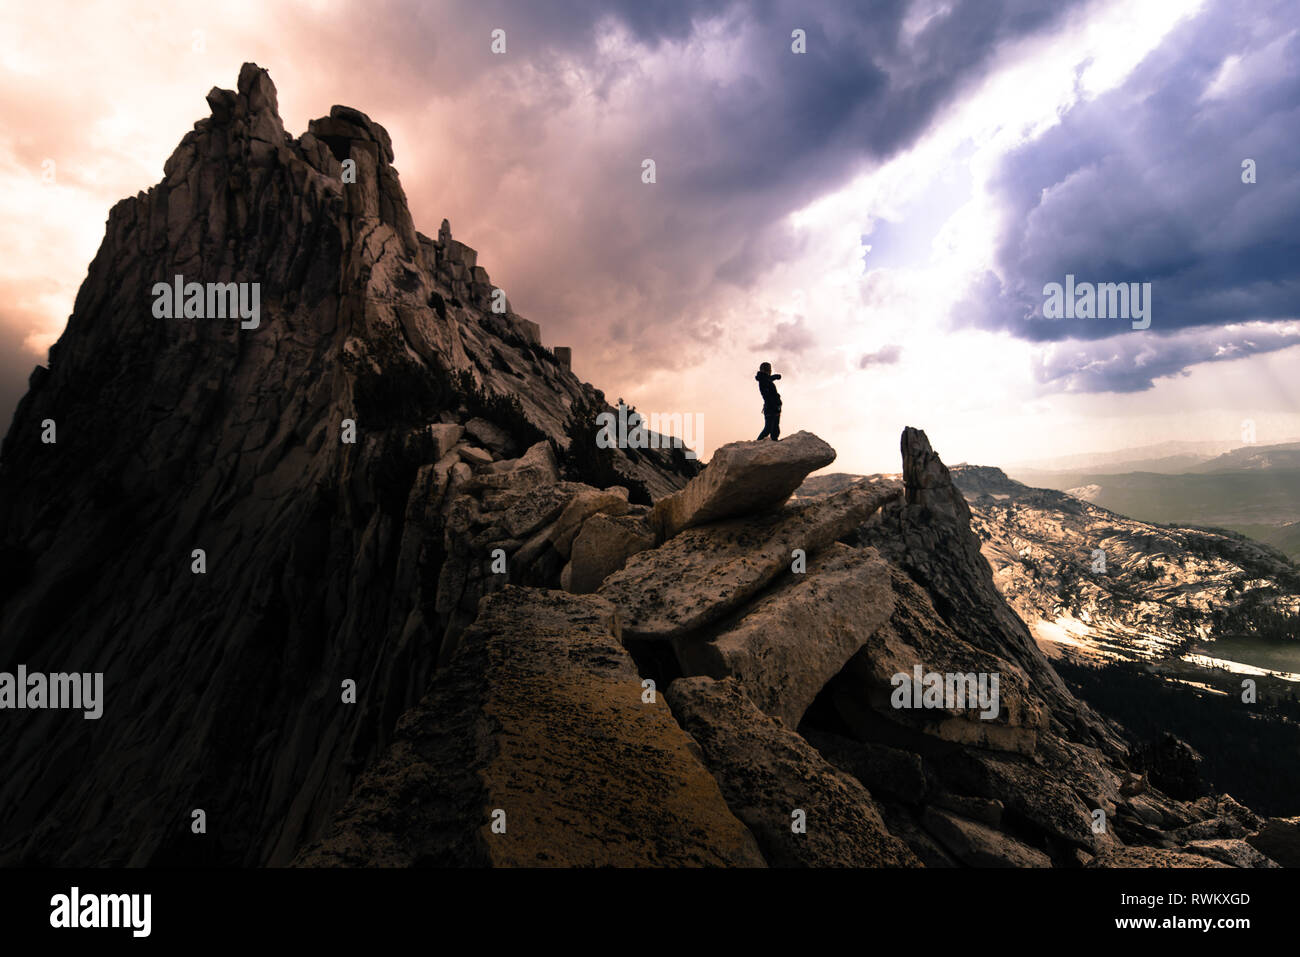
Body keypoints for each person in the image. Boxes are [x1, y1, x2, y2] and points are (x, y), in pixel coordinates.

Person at [755, 362, 782, 441]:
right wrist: (774, 406)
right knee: (768, 429)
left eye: (770, 369)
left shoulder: (765, 379)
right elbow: (767, 396)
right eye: (769, 369)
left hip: (774, 407)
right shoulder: (763, 380)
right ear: (764, 370)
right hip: (771, 407)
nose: (770, 370)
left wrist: (775, 377)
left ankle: (774, 442)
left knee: (775, 429)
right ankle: (757, 444)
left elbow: (768, 379)